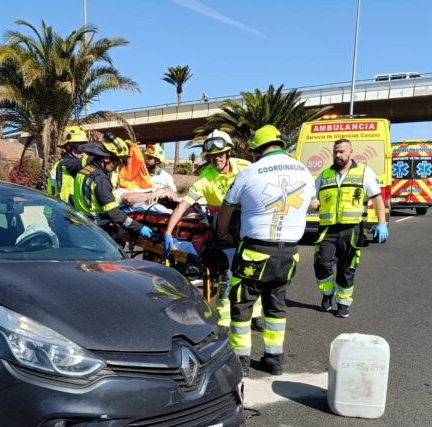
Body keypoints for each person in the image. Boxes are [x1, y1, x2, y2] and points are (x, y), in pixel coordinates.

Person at [217, 125, 315, 376]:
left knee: (241, 305)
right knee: (276, 305)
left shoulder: (250, 172)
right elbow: (311, 203)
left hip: (256, 250)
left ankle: (241, 361)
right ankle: (274, 359)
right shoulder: (303, 170)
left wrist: (223, 234)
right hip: (289, 252)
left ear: (256, 149)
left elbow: (226, 209)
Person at [163, 129, 253, 326]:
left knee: (253, 271)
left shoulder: (245, 168)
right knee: (228, 271)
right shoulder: (206, 177)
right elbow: (183, 205)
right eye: (212, 156)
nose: (216, 159)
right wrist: (168, 233)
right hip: (224, 227)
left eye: (220, 154)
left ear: (228, 153)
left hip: (248, 223)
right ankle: (224, 316)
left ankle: (255, 314)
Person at [310, 138, 388, 318]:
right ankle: (327, 293)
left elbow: (376, 198)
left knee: (347, 267)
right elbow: (313, 198)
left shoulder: (364, 172)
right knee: (322, 264)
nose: (338, 155)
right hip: (327, 229)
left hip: (352, 229)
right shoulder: (325, 174)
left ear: (351, 152)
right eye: (335, 151)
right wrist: (312, 203)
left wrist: (382, 222)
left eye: (342, 151)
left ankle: (343, 303)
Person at [73, 137, 154, 241]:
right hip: (97, 231)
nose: (116, 168)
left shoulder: (83, 171)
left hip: (83, 225)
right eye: (116, 163)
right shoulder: (100, 178)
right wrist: (139, 227)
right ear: (106, 158)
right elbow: (113, 213)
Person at [47, 125, 88, 205]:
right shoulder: (66, 163)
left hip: (58, 207)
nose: (82, 151)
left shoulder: (61, 163)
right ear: (68, 147)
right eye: (78, 148)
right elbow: (84, 162)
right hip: (65, 210)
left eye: (84, 147)